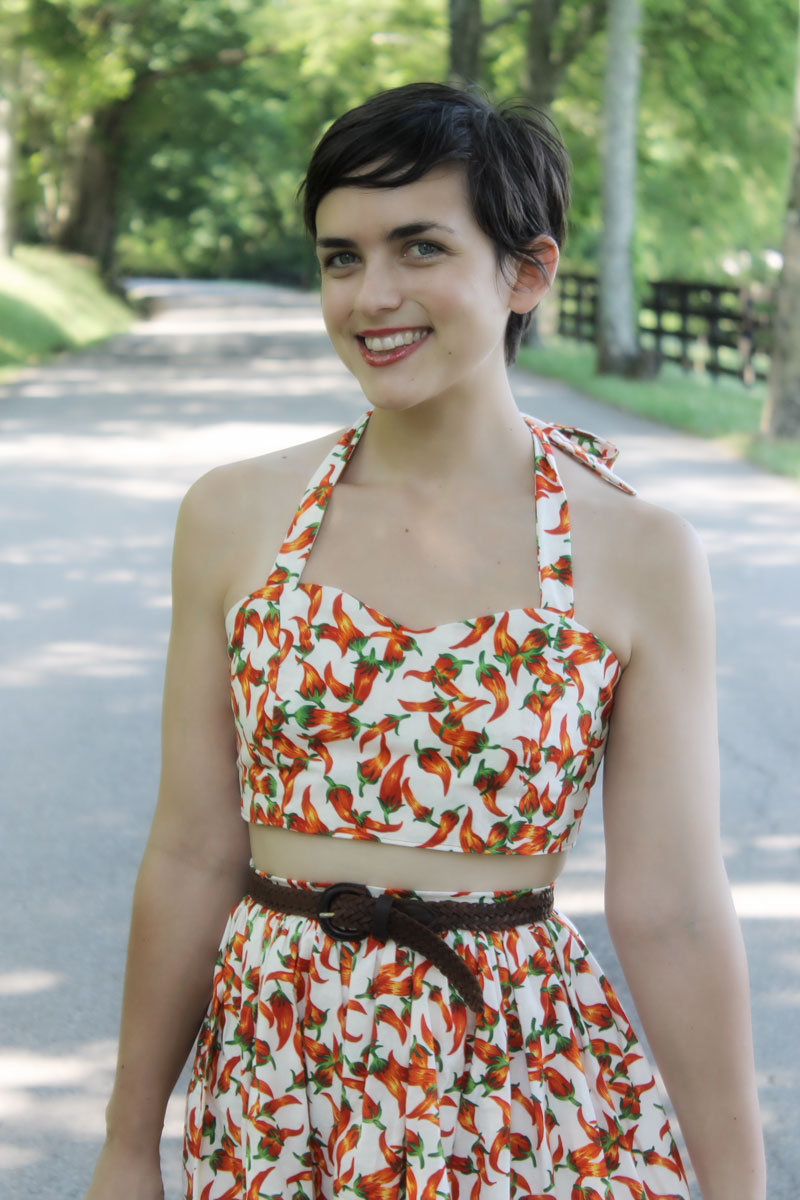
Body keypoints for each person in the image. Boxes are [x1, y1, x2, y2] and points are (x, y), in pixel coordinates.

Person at [84, 82, 765, 1200]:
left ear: (526, 273)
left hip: (517, 1090)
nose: (372, 296)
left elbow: (676, 909)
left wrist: (740, 1189)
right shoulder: (234, 516)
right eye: (339, 257)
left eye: (419, 247)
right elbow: (194, 852)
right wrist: (126, 1144)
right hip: (279, 1090)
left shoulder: (636, 551)